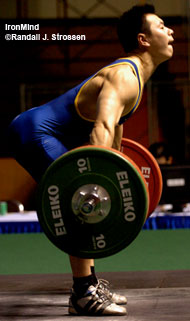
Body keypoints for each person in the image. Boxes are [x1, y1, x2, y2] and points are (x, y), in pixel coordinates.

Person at [8, 4, 174, 316]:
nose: (171, 31)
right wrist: (99, 180)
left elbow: (117, 125)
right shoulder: (124, 75)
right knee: (82, 202)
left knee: (86, 201)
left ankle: (90, 283)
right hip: (34, 133)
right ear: (144, 40)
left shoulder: (136, 77)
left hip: (52, 135)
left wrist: (117, 164)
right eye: (162, 26)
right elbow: (102, 126)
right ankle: (83, 294)